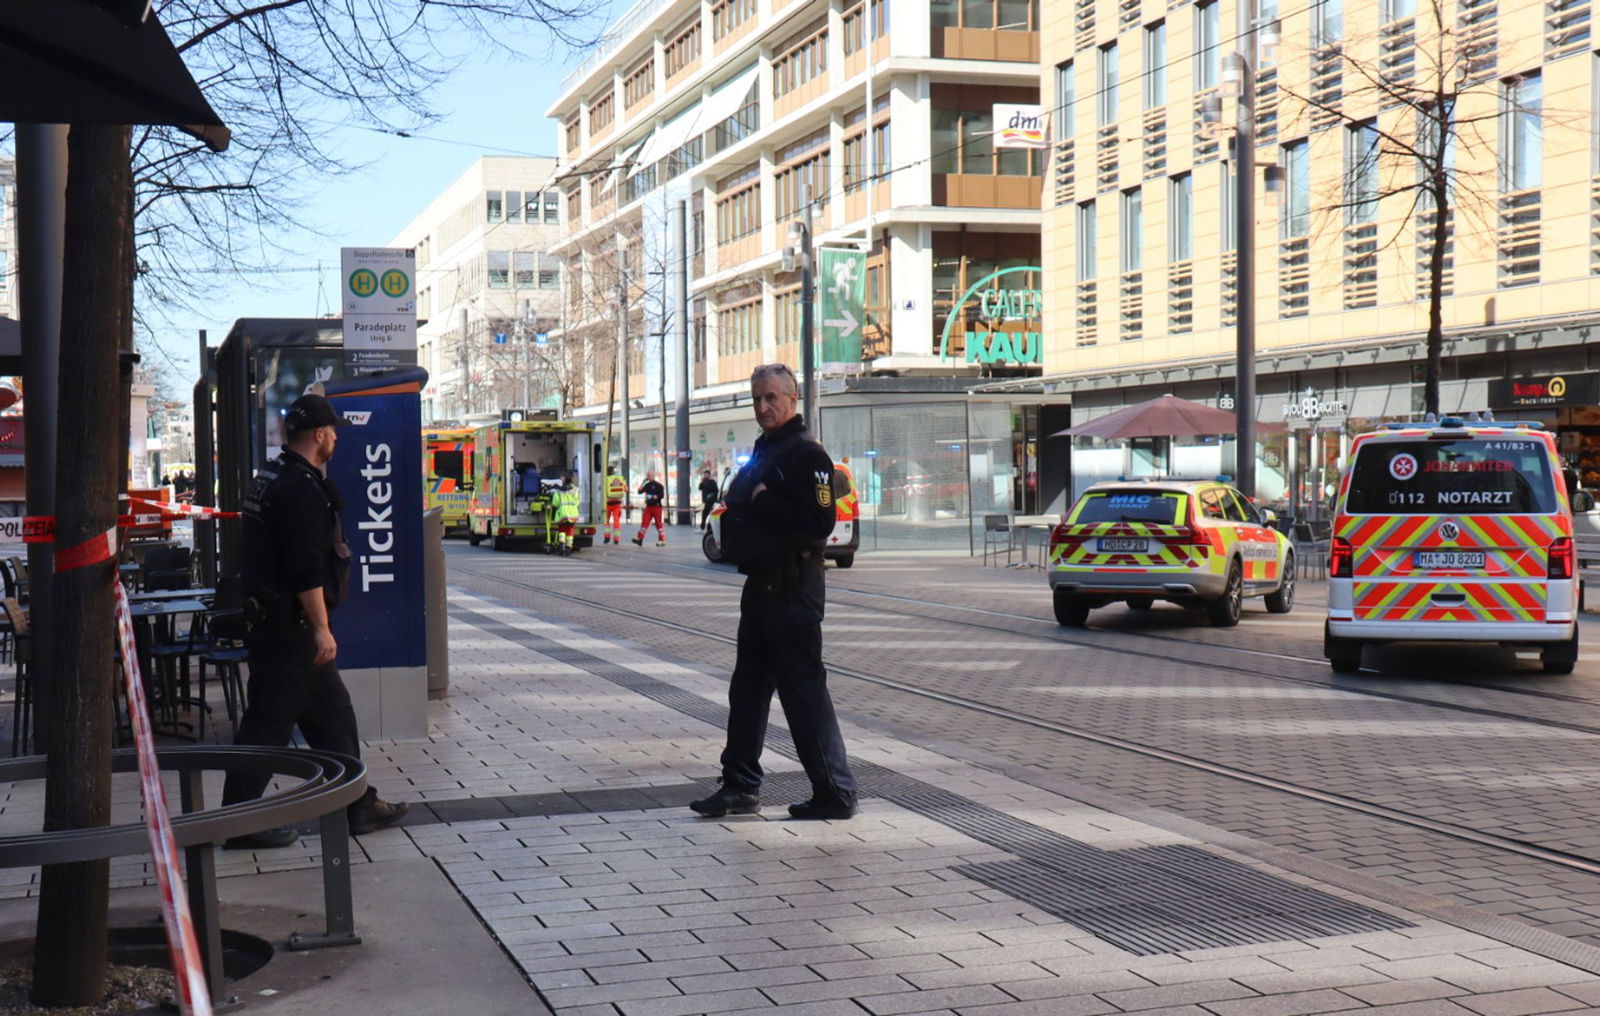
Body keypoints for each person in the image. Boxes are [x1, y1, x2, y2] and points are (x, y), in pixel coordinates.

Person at [221, 393, 410, 849]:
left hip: (278, 624)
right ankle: (239, 821)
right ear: (321, 435)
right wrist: (321, 627)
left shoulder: (273, 477)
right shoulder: (300, 490)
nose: (338, 438)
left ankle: (359, 803)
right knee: (267, 724)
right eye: (335, 432)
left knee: (333, 718)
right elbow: (305, 568)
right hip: (290, 630)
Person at [690, 364, 857, 821]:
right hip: (761, 587)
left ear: (792, 399)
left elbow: (819, 523)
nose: (763, 406)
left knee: (803, 694)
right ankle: (740, 785)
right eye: (757, 398)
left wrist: (765, 502)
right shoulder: (767, 450)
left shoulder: (807, 455)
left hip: (792, 590)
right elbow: (739, 498)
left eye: (771, 398)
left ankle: (836, 793)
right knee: (747, 691)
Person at [631, 471, 666, 546]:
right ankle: (639, 539)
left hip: (656, 507)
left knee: (658, 523)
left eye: (648, 475)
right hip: (648, 507)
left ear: (652, 476)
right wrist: (641, 485)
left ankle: (662, 540)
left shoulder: (659, 486)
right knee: (644, 522)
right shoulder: (647, 485)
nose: (647, 476)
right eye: (647, 475)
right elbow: (640, 492)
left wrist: (653, 496)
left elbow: (661, 496)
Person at [552, 470, 581, 555]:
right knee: (570, 529)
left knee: (562, 529)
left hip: (563, 512)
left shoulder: (558, 491)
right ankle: (569, 546)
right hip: (573, 513)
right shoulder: (576, 490)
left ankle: (561, 544)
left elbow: (555, 503)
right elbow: (577, 501)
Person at [603, 464, 628, 544]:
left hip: (608, 503)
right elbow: (626, 489)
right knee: (616, 520)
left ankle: (607, 538)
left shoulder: (605, 479)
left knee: (606, 520)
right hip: (617, 503)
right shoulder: (620, 479)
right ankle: (616, 539)